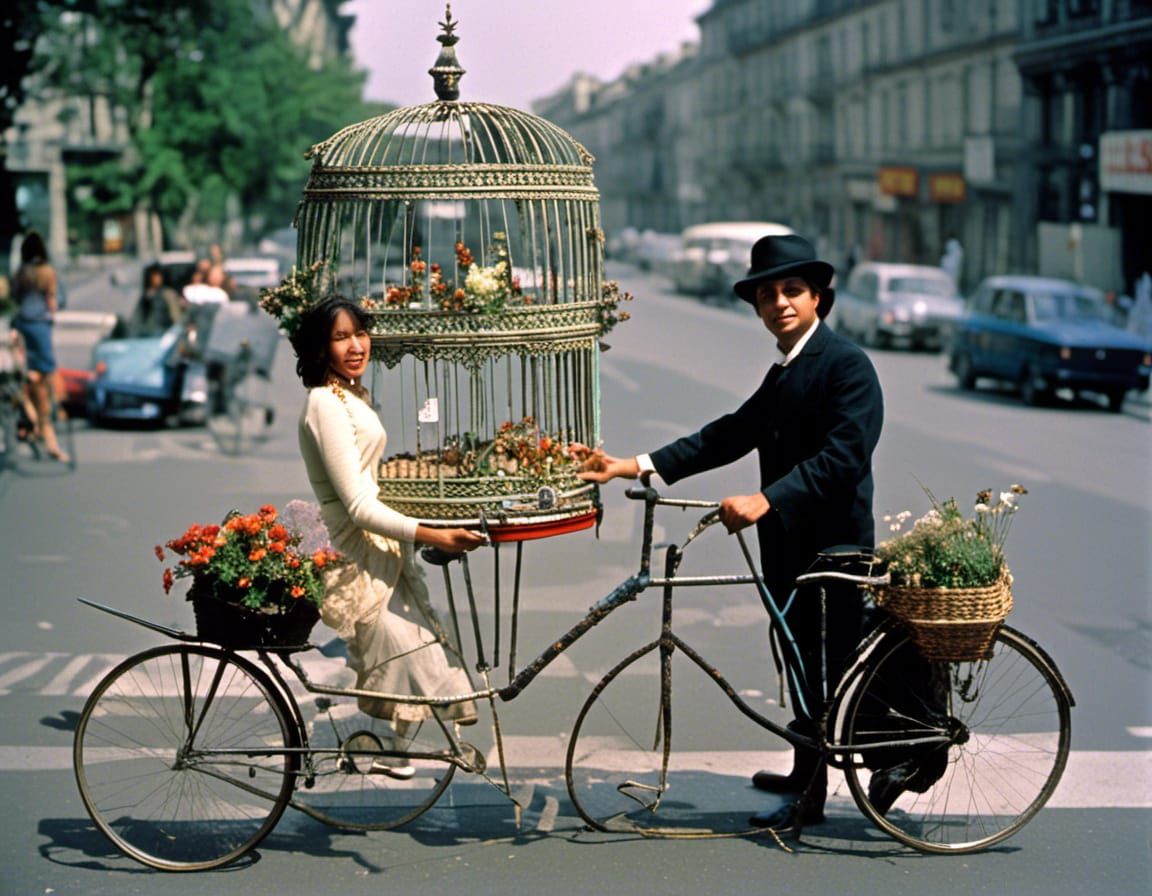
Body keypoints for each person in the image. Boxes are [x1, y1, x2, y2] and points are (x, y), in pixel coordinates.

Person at [574, 233, 885, 831]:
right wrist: (631, 465)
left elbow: (844, 457)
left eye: (792, 290)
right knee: (797, 657)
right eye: (767, 295)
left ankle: (814, 797)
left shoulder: (847, 365)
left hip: (834, 546)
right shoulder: (787, 372)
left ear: (818, 296)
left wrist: (766, 498)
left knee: (823, 665)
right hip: (789, 544)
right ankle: (804, 768)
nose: (779, 304)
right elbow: (727, 434)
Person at [290, 297, 486, 769]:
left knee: (423, 645)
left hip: (383, 546)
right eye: (341, 338)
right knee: (399, 650)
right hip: (356, 553)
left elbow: (369, 479)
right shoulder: (324, 404)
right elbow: (358, 505)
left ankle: (393, 749)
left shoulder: (350, 394)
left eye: (360, 333)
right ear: (321, 348)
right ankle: (381, 747)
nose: (356, 346)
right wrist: (434, 536)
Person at [10, 231, 69, 462]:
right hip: (40, 326)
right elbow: (59, 300)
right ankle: (45, 424)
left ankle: (32, 420)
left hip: (21, 325)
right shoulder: (48, 273)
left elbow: (14, 297)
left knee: (25, 376)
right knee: (45, 376)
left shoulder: (21, 273)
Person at [128, 263, 184, 336]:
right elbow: (137, 318)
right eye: (154, 275)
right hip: (145, 334)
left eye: (159, 275)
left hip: (163, 333)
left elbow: (176, 316)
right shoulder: (145, 296)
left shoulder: (168, 294)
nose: (158, 278)